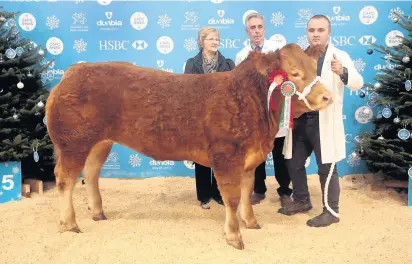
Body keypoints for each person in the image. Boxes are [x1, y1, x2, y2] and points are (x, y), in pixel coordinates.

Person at [278, 15, 364, 227]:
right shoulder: (300, 56)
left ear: (329, 32)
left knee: (327, 167)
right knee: (293, 162)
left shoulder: (338, 55)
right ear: (306, 32)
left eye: (320, 30)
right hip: (299, 119)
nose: (315, 34)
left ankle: (331, 212)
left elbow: (358, 82)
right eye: (312, 30)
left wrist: (342, 72)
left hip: (323, 120)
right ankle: (301, 200)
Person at [235, 12, 293, 207]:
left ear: (265, 29)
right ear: (247, 31)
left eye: (260, 27)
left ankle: (285, 191)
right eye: (253, 28)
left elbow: (285, 81)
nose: (257, 31)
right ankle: (259, 190)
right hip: (254, 115)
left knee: (279, 153)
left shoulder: (276, 51)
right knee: (256, 154)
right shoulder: (241, 55)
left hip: (275, 111)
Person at [184, 27, 235, 209]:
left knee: (221, 156)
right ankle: (204, 195)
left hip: (222, 118)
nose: (215, 42)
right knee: (201, 155)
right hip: (200, 118)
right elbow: (187, 92)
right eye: (211, 39)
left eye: (217, 39)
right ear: (202, 41)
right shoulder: (192, 64)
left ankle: (218, 193)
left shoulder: (228, 64)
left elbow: (233, 92)